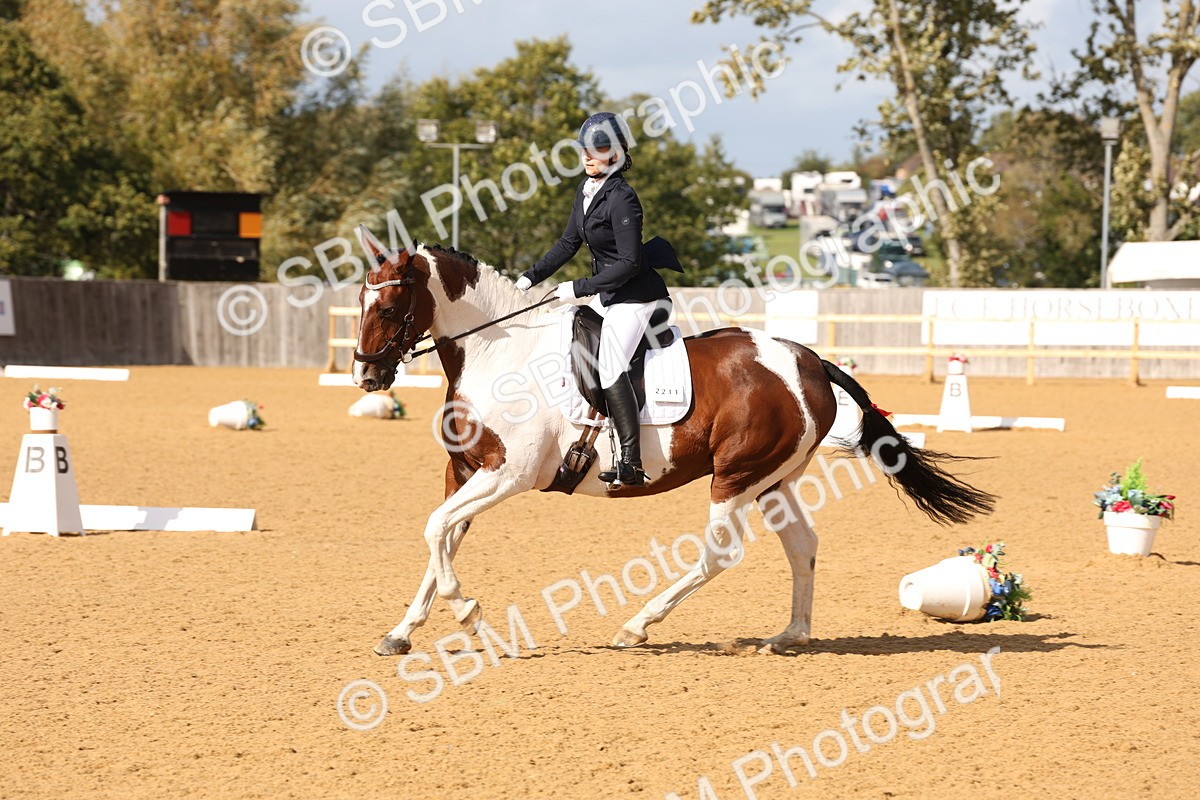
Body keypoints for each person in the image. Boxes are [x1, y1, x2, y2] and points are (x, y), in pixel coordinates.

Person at [516, 112, 671, 489]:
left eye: (598, 149)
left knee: (611, 362)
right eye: (585, 148)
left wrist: (580, 287)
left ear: (616, 154)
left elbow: (630, 263)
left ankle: (631, 462)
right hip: (608, 295)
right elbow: (569, 243)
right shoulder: (586, 192)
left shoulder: (623, 197)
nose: (588, 156)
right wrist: (529, 276)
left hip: (636, 297)